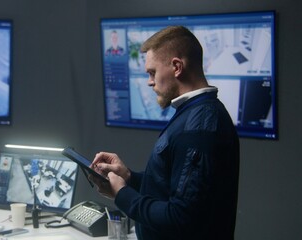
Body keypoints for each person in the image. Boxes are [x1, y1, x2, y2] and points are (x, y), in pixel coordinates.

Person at [90, 26, 240, 240]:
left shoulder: (200, 125)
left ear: (177, 67)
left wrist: (122, 194)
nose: (150, 81)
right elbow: (174, 191)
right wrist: (129, 178)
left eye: (152, 72)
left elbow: (180, 217)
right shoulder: (195, 114)